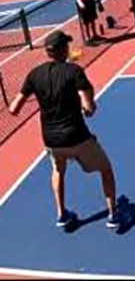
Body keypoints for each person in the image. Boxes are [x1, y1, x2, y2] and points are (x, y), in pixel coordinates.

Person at [8, 30, 120, 229]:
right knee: (106, 169)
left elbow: (14, 109)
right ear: (64, 50)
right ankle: (113, 216)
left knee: (58, 170)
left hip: (51, 140)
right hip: (77, 136)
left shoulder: (34, 74)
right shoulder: (74, 71)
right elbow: (89, 107)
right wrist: (88, 107)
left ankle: (62, 215)